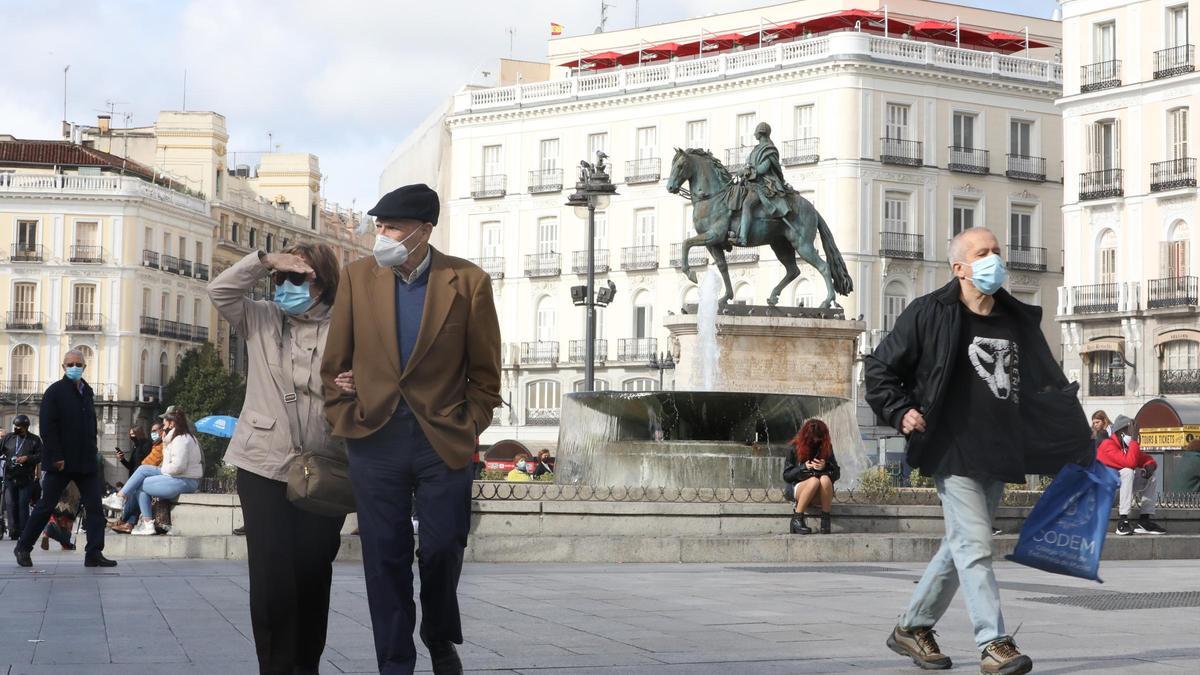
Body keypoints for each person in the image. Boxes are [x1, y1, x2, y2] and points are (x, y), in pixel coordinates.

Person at [865, 227, 1090, 675]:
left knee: (962, 543)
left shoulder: (1017, 319)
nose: (994, 260)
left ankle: (912, 627)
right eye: (983, 253)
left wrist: (1076, 442)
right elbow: (879, 368)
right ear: (960, 268)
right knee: (974, 544)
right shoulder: (929, 313)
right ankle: (993, 642)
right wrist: (901, 411)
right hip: (951, 447)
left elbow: (1046, 384)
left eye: (997, 252)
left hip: (1001, 449)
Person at [322, 183, 502, 675]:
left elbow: (486, 374)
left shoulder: (468, 282)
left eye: (392, 227)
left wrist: (469, 424)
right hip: (374, 439)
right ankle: (395, 662)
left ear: (424, 231)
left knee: (445, 546)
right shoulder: (358, 278)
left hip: (442, 439)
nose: (381, 235)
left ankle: (439, 634)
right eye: (378, 226)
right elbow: (333, 363)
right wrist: (345, 412)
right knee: (384, 556)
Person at [209, 242, 346, 675]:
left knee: (312, 571)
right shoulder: (261, 318)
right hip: (262, 463)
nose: (285, 286)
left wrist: (361, 382)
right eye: (280, 279)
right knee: (271, 577)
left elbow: (383, 379)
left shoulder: (348, 328)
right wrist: (265, 261)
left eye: (297, 277)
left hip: (325, 465)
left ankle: (307, 664)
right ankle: (275, 667)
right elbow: (220, 292)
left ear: (322, 282)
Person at [13, 350, 116, 568]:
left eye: (78, 364)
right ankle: (23, 547)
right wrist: (57, 455)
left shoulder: (87, 392)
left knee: (95, 508)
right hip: (61, 462)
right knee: (45, 506)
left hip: (85, 461)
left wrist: (93, 449)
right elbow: (48, 428)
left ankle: (94, 553)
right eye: (70, 364)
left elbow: (89, 426)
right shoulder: (55, 392)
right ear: (63, 367)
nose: (74, 367)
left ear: (84, 367)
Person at [118, 411, 202, 535]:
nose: (163, 424)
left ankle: (125, 502)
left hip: (184, 480)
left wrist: (162, 470)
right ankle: (122, 499)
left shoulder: (181, 439)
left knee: (141, 482)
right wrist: (165, 443)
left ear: (172, 423)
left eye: (165, 421)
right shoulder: (176, 438)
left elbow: (178, 467)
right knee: (142, 471)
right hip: (179, 478)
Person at [1097, 415, 1166, 536]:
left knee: (1151, 475)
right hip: (1105, 495)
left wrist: (1149, 466)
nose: (1133, 434)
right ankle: (1122, 520)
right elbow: (1130, 463)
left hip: (1119, 491)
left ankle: (1144, 520)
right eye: (1130, 431)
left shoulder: (1127, 447)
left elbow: (1148, 459)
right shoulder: (1107, 445)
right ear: (1120, 431)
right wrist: (1134, 439)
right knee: (1127, 471)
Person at [731, 121, 792, 246]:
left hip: (764, 184)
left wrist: (748, 171)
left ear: (761, 133)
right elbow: (750, 165)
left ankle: (743, 237)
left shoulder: (769, 149)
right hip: (750, 182)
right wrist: (743, 170)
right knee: (734, 197)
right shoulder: (756, 149)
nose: (754, 135)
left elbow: (764, 168)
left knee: (747, 204)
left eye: (756, 133)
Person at [781, 419, 841, 535]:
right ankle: (797, 519)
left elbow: (837, 474)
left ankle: (825, 520)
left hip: (820, 494)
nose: (816, 441)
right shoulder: (794, 447)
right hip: (798, 489)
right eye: (813, 438)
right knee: (813, 481)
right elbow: (787, 475)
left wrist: (826, 466)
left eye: (819, 438)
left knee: (824, 479)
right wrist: (803, 468)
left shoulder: (826, 447)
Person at [2, 415, 41, 541]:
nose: (17, 429)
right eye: (16, 426)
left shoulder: (34, 440)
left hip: (26, 478)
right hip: (10, 476)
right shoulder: (8, 438)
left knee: (22, 504)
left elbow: (40, 456)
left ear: (26, 427)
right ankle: (13, 530)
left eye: (20, 427)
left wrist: (27, 458)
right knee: (10, 503)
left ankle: (24, 530)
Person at [41, 481, 80, 551]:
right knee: (69, 510)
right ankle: (65, 542)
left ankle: (47, 532)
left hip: (54, 479)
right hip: (71, 480)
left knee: (56, 508)